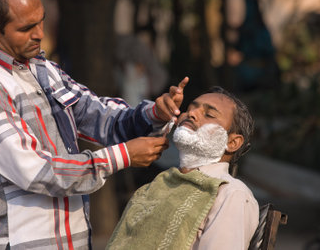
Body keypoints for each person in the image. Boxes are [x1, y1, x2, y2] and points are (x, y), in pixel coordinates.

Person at [0, 0, 189, 249]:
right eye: (26, 28)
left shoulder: (42, 68)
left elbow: (99, 116)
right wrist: (123, 156)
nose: (40, 34)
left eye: (41, 22)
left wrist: (152, 114)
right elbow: (36, 171)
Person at [106, 86, 259, 250]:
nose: (190, 114)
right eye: (189, 109)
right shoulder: (160, 183)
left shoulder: (231, 194)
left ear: (232, 142)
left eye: (209, 114)